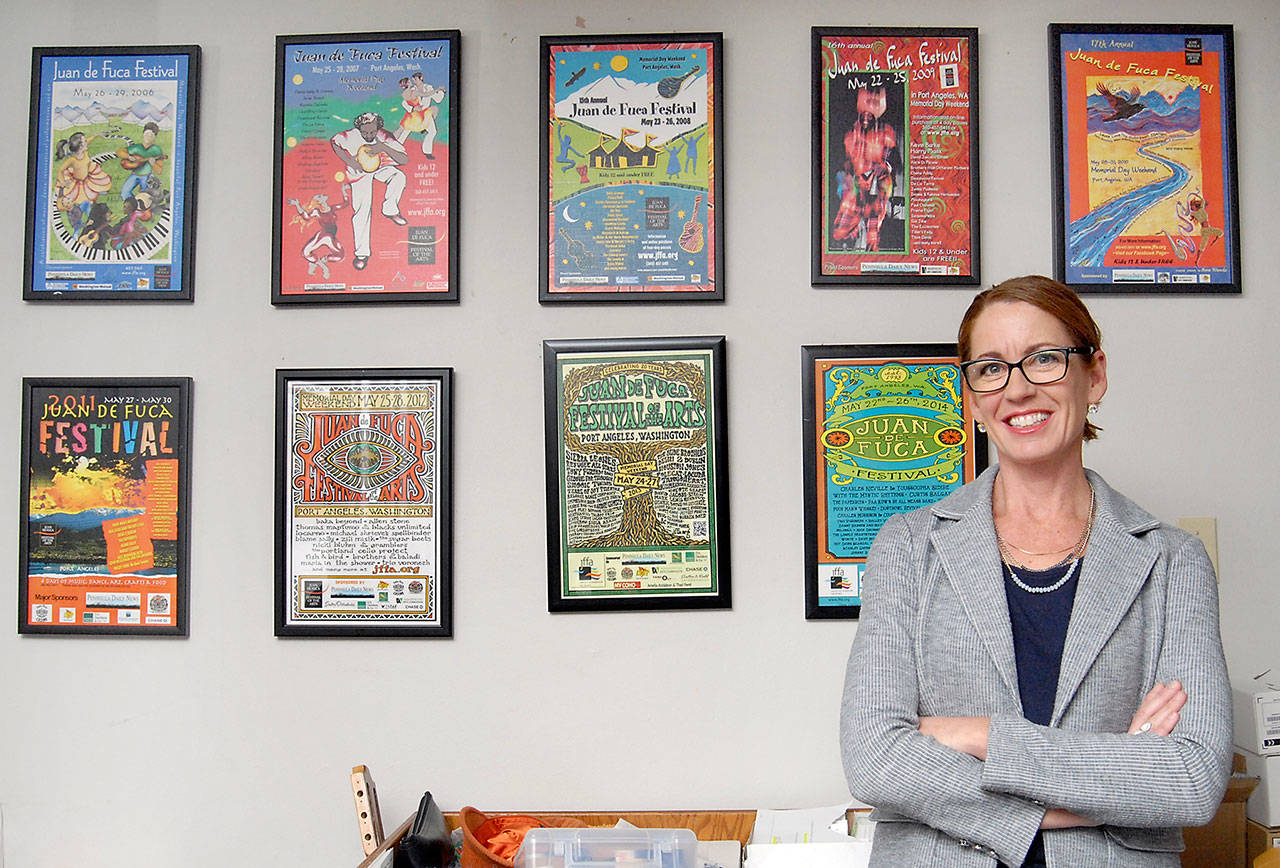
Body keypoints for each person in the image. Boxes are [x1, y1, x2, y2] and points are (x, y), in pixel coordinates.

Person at [840, 275, 1231, 867]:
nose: (1017, 389)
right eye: (991, 368)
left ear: (1094, 375)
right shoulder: (907, 547)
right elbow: (874, 757)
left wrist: (981, 737)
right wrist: (1106, 784)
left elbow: (1193, 778)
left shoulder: (1173, 560)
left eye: (1045, 359)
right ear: (970, 399)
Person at [331, 112, 408, 271]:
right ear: (358, 128)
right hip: (359, 173)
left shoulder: (384, 136)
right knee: (362, 210)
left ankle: (390, 209)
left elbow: (404, 159)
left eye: (372, 132)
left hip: (380, 167)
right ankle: (361, 254)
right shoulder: (350, 136)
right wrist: (349, 161)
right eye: (364, 132)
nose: (368, 135)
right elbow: (334, 142)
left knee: (398, 176)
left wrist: (383, 147)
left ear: (378, 128)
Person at [832, 86, 897, 251]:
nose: (866, 119)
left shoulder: (886, 133)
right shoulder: (850, 134)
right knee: (840, 231)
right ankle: (850, 240)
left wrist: (884, 168)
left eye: (870, 115)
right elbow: (843, 162)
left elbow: (893, 160)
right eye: (864, 115)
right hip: (856, 183)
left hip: (879, 184)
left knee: (873, 229)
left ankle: (870, 252)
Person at [118, 122, 165, 202]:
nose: (148, 137)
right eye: (147, 134)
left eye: (151, 135)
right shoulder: (136, 147)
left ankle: (142, 208)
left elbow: (159, 171)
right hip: (134, 175)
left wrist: (153, 163)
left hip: (147, 177)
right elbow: (119, 152)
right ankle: (135, 205)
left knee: (146, 197)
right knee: (124, 193)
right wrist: (129, 156)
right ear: (143, 134)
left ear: (155, 137)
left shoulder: (156, 150)